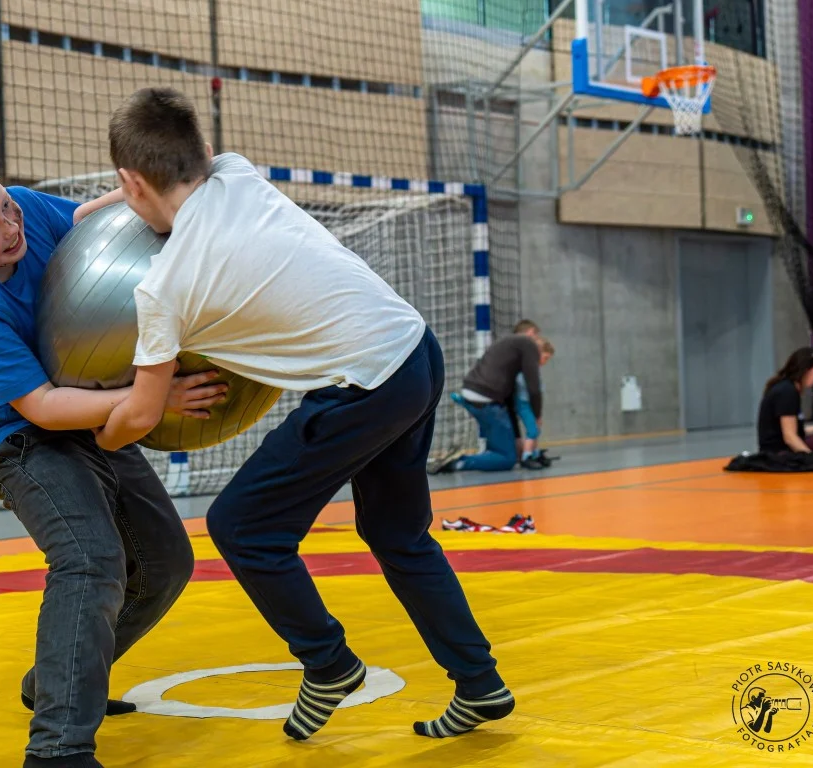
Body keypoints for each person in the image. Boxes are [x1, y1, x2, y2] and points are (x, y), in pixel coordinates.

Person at [93, 87, 514, 742]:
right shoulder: (236, 173)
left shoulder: (164, 286)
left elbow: (141, 416)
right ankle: (480, 683)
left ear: (128, 181)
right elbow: (185, 164)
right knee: (398, 535)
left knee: (241, 527)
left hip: (365, 384)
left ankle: (328, 664)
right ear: (201, 154)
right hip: (415, 352)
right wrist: (119, 195)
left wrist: (98, 427)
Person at [0, 147, 227, 768]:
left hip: (93, 413)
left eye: (6, 207)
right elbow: (43, 408)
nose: (11, 228)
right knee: (90, 559)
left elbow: (98, 223)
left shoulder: (25, 212)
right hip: (20, 441)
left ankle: (58, 682)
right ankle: (57, 748)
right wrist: (156, 392)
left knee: (165, 565)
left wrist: (163, 189)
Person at [430, 330, 544, 473]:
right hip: (487, 400)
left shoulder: (509, 348)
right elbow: (534, 388)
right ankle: (460, 463)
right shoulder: (529, 345)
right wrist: (537, 415)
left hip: (472, 392)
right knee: (507, 458)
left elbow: (509, 401)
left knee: (499, 448)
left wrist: (516, 437)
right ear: (530, 333)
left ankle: (477, 457)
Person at [757, 346, 813, 459]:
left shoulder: (786, 388)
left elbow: (796, 430)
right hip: (780, 452)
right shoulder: (787, 392)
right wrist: (812, 460)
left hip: (778, 449)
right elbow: (790, 437)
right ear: (805, 370)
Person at [514, 337, 555, 469]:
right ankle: (526, 456)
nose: (545, 361)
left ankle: (534, 453)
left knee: (536, 429)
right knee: (532, 430)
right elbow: (526, 386)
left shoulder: (533, 368)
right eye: (545, 357)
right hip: (522, 402)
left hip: (528, 403)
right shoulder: (526, 368)